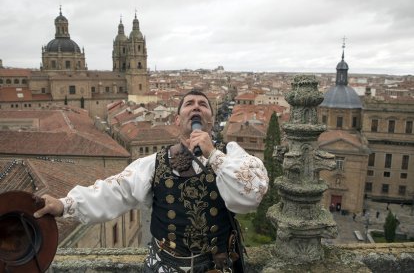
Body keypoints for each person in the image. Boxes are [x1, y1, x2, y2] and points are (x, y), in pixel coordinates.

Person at [34, 90, 269, 273]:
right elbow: (116, 190)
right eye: (189, 104)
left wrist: (213, 155)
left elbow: (250, 197)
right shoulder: (154, 163)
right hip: (166, 267)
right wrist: (65, 205)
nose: (196, 106)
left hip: (218, 266)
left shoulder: (232, 156)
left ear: (211, 120)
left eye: (203, 104)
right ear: (178, 120)